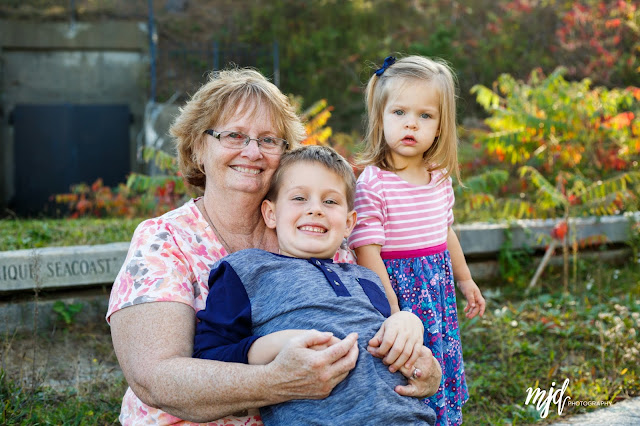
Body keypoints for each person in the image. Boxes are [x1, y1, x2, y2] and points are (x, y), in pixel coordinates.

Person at [107, 67, 441, 425]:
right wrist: (277, 382)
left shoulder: (316, 235)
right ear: (198, 147)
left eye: (268, 140)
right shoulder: (164, 241)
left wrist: (416, 346)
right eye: (234, 135)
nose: (252, 152)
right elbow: (155, 380)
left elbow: (374, 323)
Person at [193, 145, 440, 425]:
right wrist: (275, 344)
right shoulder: (247, 270)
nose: (315, 210)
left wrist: (406, 322)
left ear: (348, 224)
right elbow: (209, 358)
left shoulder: (364, 276)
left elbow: (393, 341)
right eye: (299, 198)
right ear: (270, 213)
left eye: (330, 202)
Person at [348, 55, 487, 426]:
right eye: (399, 113)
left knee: (438, 358)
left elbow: (445, 232)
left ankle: (444, 414)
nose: (411, 123)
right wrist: (391, 308)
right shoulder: (374, 182)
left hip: (436, 288)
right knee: (406, 364)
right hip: (399, 292)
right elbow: (367, 251)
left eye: (425, 116)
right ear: (380, 118)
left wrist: (465, 278)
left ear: (440, 127)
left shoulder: (438, 177)